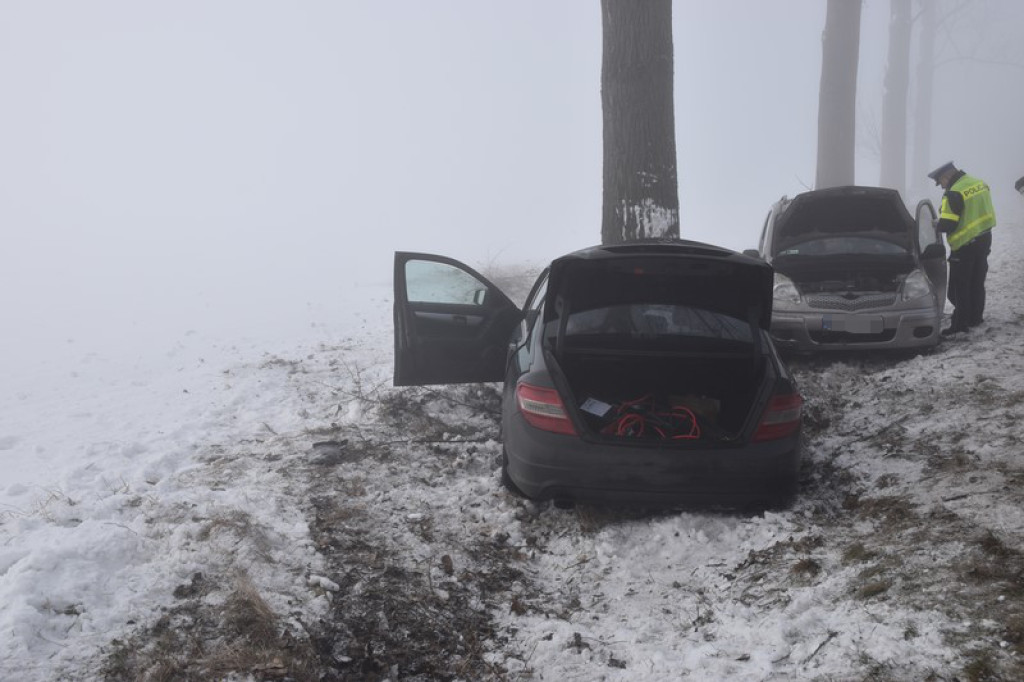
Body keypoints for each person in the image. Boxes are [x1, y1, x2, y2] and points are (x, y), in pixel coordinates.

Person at [927, 161, 997, 336]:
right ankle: (975, 318)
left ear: (946, 176)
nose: (941, 186)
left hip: (965, 246)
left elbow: (949, 224)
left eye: (940, 182)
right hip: (984, 238)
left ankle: (959, 325)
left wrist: (937, 224)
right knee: (977, 281)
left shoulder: (953, 193)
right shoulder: (978, 183)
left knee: (959, 287)